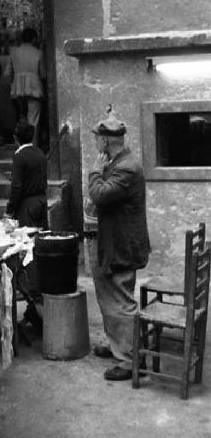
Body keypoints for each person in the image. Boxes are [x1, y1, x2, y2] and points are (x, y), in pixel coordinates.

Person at [88, 111, 150, 381]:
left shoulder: (127, 167)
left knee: (121, 300)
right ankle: (118, 346)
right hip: (114, 240)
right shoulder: (120, 161)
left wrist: (94, 170)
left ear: (105, 141)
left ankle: (129, 360)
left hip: (122, 244)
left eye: (97, 140)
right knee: (108, 297)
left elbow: (99, 194)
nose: (96, 145)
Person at [5, 27, 45, 145]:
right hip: (35, 89)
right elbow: (43, 74)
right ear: (33, 39)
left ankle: (21, 146)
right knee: (33, 120)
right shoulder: (38, 53)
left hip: (18, 90)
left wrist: (13, 84)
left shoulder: (14, 52)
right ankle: (33, 146)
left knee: (22, 119)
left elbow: (7, 73)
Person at [5, 121, 48, 228]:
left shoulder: (19, 156)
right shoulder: (40, 153)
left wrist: (9, 210)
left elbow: (16, 186)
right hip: (42, 202)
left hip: (27, 206)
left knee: (27, 240)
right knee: (41, 238)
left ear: (16, 138)